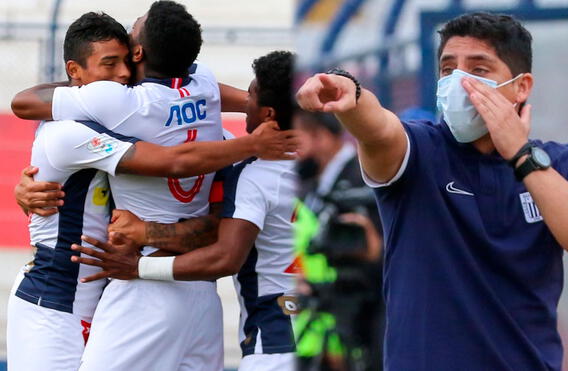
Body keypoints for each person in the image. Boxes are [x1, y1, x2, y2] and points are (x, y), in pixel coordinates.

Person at [295, 12, 568, 371]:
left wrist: (520, 155)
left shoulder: (559, 161)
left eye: (478, 70)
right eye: (448, 70)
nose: (458, 83)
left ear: (521, 87)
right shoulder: (420, 150)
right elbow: (379, 129)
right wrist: (351, 93)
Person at [7, 12, 296, 371]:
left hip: (135, 284)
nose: (123, 74)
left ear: (140, 55)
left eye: (127, 61)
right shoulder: (77, 128)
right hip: (57, 298)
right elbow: (177, 156)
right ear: (75, 72)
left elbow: (179, 161)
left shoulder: (127, 108)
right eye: (111, 64)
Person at [72, 50, 299, 371]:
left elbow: (224, 256)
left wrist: (139, 260)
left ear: (268, 113)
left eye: (249, 95)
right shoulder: (340, 164)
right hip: (336, 338)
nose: (242, 102)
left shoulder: (250, 173)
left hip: (274, 342)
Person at [293, 111, 383, 371]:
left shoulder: (364, 177)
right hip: (323, 304)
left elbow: (387, 251)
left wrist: (374, 250)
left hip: (367, 313)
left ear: (320, 137)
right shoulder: (309, 185)